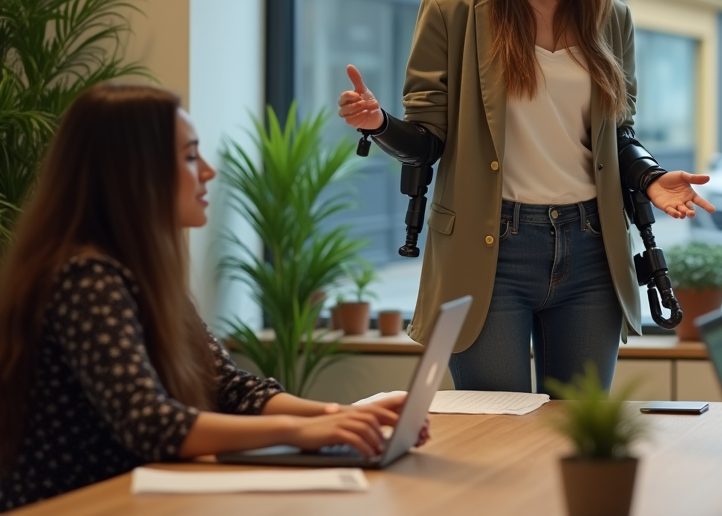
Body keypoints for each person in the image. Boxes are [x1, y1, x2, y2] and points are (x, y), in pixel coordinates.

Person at [337, 0, 714, 394]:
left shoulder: (612, 19)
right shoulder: (450, 11)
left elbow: (619, 133)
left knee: (577, 436)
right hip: (489, 249)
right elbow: (429, 140)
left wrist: (652, 177)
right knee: (496, 434)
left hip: (591, 248)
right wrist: (379, 125)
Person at [0, 84, 427, 511]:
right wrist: (295, 431)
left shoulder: (141, 269)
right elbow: (150, 423)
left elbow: (228, 387)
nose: (207, 171)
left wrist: (340, 417)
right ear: (134, 172)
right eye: (189, 156)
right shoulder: (86, 276)